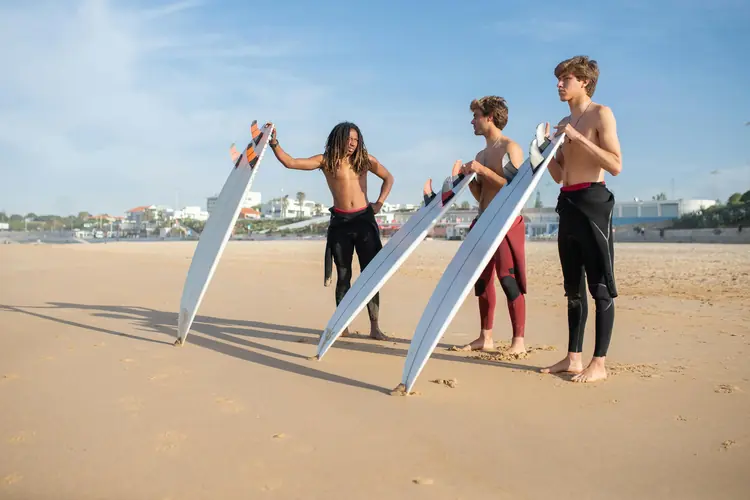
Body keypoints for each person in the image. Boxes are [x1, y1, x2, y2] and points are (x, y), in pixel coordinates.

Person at [265, 121, 394, 340]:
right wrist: (274, 143)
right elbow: (291, 162)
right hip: (341, 224)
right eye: (348, 139)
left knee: (370, 274)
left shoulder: (365, 160)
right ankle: (343, 325)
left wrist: (380, 203)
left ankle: (375, 326)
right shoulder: (326, 161)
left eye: (355, 140)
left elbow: (388, 178)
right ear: (338, 138)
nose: (352, 143)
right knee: (344, 275)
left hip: (364, 222)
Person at [540, 55, 623, 382]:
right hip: (568, 202)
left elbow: (615, 165)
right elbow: (559, 174)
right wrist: (543, 152)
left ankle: (598, 363)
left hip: (593, 201)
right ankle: (573, 358)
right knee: (572, 288)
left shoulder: (601, 114)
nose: (559, 85)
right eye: (559, 79)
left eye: (566, 79)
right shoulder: (565, 121)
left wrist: (579, 138)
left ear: (584, 82)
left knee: (599, 287)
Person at [455, 96, 528, 355]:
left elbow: (516, 189)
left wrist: (483, 171)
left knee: (508, 279)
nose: (472, 121)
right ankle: (485, 337)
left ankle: (518, 342)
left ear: (489, 117)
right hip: (483, 219)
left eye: (476, 116)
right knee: (482, 281)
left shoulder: (511, 148)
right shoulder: (481, 154)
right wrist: (468, 179)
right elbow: (481, 195)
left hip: (506, 222)